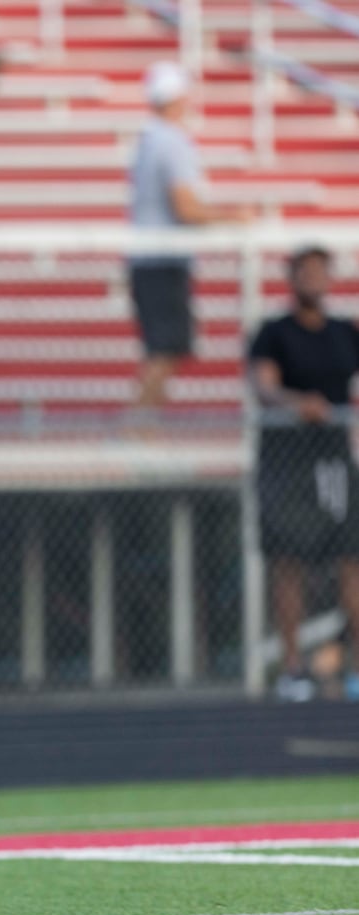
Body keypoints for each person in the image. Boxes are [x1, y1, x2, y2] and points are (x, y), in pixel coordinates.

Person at [249, 245, 359, 703]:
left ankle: (353, 666)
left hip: (333, 459)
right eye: (306, 271)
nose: (315, 279)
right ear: (292, 278)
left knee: (350, 558)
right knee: (288, 559)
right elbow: (264, 387)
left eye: (322, 271)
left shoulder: (345, 331)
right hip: (288, 461)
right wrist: (300, 406)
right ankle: (293, 668)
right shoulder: (273, 333)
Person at [127, 61, 251, 413]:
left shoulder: (150, 139)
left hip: (150, 257)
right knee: (166, 349)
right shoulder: (170, 141)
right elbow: (186, 207)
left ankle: (141, 429)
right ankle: (137, 430)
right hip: (162, 258)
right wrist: (233, 218)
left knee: (163, 349)